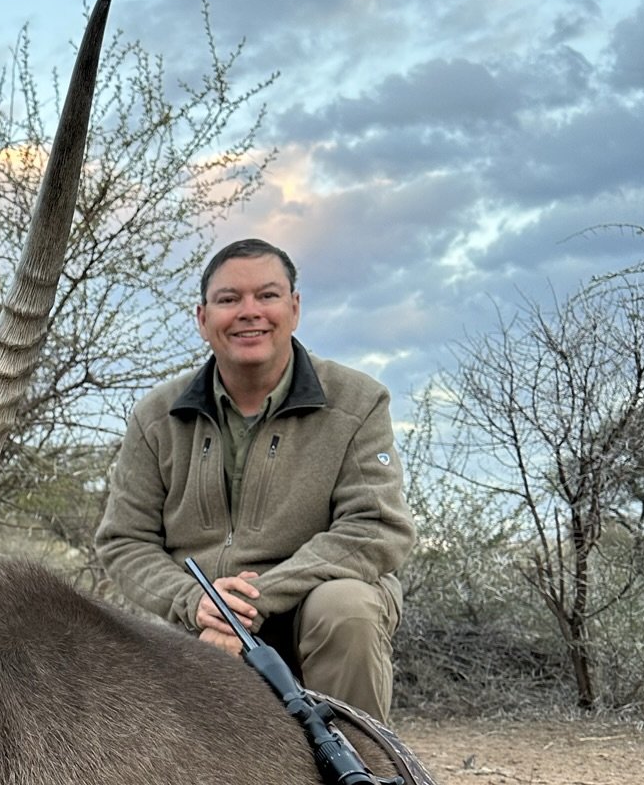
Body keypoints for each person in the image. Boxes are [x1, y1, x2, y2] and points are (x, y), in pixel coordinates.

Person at [94, 237, 413, 718]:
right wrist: (194, 601)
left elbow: (377, 530)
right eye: (229, 299)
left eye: (267, 295)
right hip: (199, 615)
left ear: (294, 307)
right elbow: (125, 540)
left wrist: (253, 599)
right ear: (202, 319)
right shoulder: (155, 415)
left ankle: (369, 779)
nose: (250, 312)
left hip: (309, 602)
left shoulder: (360, 401)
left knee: (345, 608)